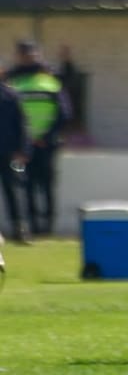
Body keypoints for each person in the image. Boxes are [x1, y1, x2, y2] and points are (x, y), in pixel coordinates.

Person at [5, 40, 71, 236]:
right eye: (24, 54)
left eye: (31, 54)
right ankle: (32, 227)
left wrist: (46, 136)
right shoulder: (12, 81)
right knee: (26, 185)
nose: (28, 58)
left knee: (47, 185)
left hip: (46, 144)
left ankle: (47, 228)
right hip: (22, 146)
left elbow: (64, 113)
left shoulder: (49, 80)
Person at [0, 78, 30, 244]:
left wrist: (23, 150)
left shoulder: (11, 95)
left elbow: (22, 124)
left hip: (9, 153)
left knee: (13, 192)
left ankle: (20, 230)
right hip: (8, 150)